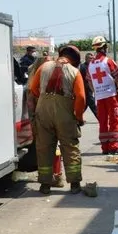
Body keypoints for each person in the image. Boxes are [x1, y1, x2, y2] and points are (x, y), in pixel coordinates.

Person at [28, 45, 86, 195]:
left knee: (44, 148)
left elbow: (33, 89)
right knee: (70, 147)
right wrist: (78, 117)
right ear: (75, 60)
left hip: (43, 111)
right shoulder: (75, 72)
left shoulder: (44, 67)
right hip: (64, 113)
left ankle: (45, 185)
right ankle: (74, 184)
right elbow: (80, 97)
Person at [86, 36, 118, 155]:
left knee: (103, 121)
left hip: (99, 97)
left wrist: (96, 91)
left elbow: (89, 81)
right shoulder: (108, 61)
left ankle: (105, 147)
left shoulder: (91, 64)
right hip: (111, 95)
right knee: (114, 120)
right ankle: (114, 146)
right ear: (104, 47)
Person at [79, 52, 98, 118]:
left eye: (93, 58)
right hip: (85, 89)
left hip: (90, 88)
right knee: (92, 104)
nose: (92, 59)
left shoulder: (93, 66)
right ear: (86, 59)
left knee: (85, 105)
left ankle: (76, 118)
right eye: (90, 58)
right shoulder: (83, 67)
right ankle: (100, 118)